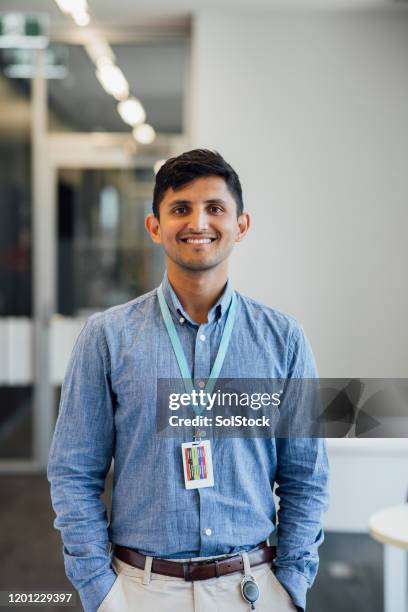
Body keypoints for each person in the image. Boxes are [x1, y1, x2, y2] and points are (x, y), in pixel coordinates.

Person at [48, 149, 329, 612]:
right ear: (155, 226)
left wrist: (292, 583)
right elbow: (73, 472)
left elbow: (306, 477)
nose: (198, 222)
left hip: (252, 590)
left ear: (241, 225)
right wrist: (99, 589)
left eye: (215, 208)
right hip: (138, 589)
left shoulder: (284, 340)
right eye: (180, 209)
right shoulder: (107, 337)